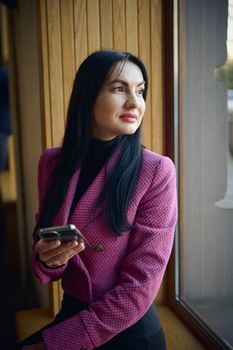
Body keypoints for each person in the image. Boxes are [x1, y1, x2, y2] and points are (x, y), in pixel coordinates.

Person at [19, 50, 177, 350]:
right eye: (120, 89)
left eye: (140, 91)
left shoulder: (156, 171)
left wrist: (58, 344)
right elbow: (46, 245)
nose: (135, 102)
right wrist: (47, 258)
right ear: (88, 94)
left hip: (128, 330)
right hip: (72, 311)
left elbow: (140, 288)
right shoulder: (52, 163)